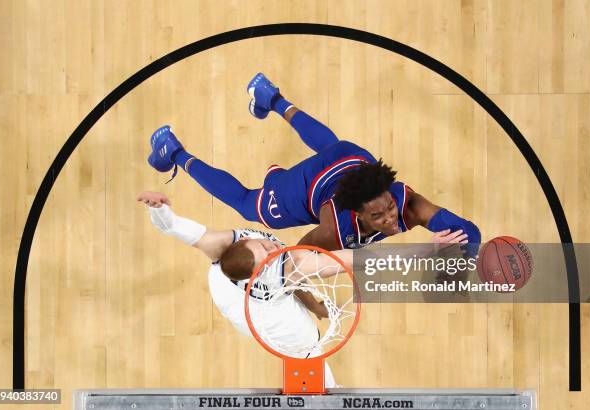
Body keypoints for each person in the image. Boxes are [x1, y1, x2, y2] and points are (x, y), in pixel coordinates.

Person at [137, 191, 468, 386]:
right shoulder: (289, 266)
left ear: (246, 242)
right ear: (262, 271)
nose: (271, 249)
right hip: (254, 313)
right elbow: (360, 259)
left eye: (263, 247)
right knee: (309, 346)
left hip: (240, 280)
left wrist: (159, 208)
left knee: (294, 288)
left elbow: (174, 227)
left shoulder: (224, 245)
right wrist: (428, 251)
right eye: (267, 256)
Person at [146, 74, 481, 256]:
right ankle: (173, 152)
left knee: (336, 148)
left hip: (349, 158)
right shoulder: (335, 229)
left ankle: (270, 97)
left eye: (389, 208)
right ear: (358, 214)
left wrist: (462, 249)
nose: (391, 218)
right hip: (307, 187)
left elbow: (469, 231)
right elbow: (300, 253)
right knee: (250, 205)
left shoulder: (407, 204)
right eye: (378, 216)